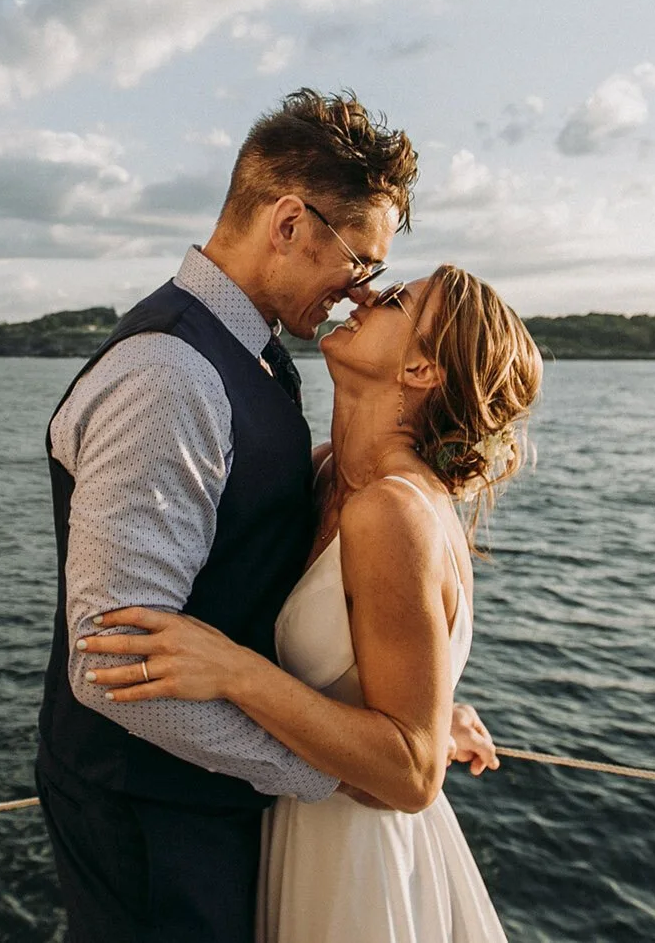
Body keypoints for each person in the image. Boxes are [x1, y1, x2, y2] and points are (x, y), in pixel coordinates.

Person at [36, 88, 421, 942]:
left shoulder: (253, 352)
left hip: (204, 797)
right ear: (289, 223)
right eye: (360, 261)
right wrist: (334, 769)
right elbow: (115, 671)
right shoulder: (170, 374)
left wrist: (387, 709)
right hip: (153, 820)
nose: (361, 293)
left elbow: (258, 536)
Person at [80, 263, 543, 942]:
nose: (363, 294)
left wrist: (236, 671)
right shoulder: (326, 471)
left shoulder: (392, 511)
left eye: (394, 299)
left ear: (420, 370)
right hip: (295, 823)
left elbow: (413, 777)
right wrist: (438, 710)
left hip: (358, 859)